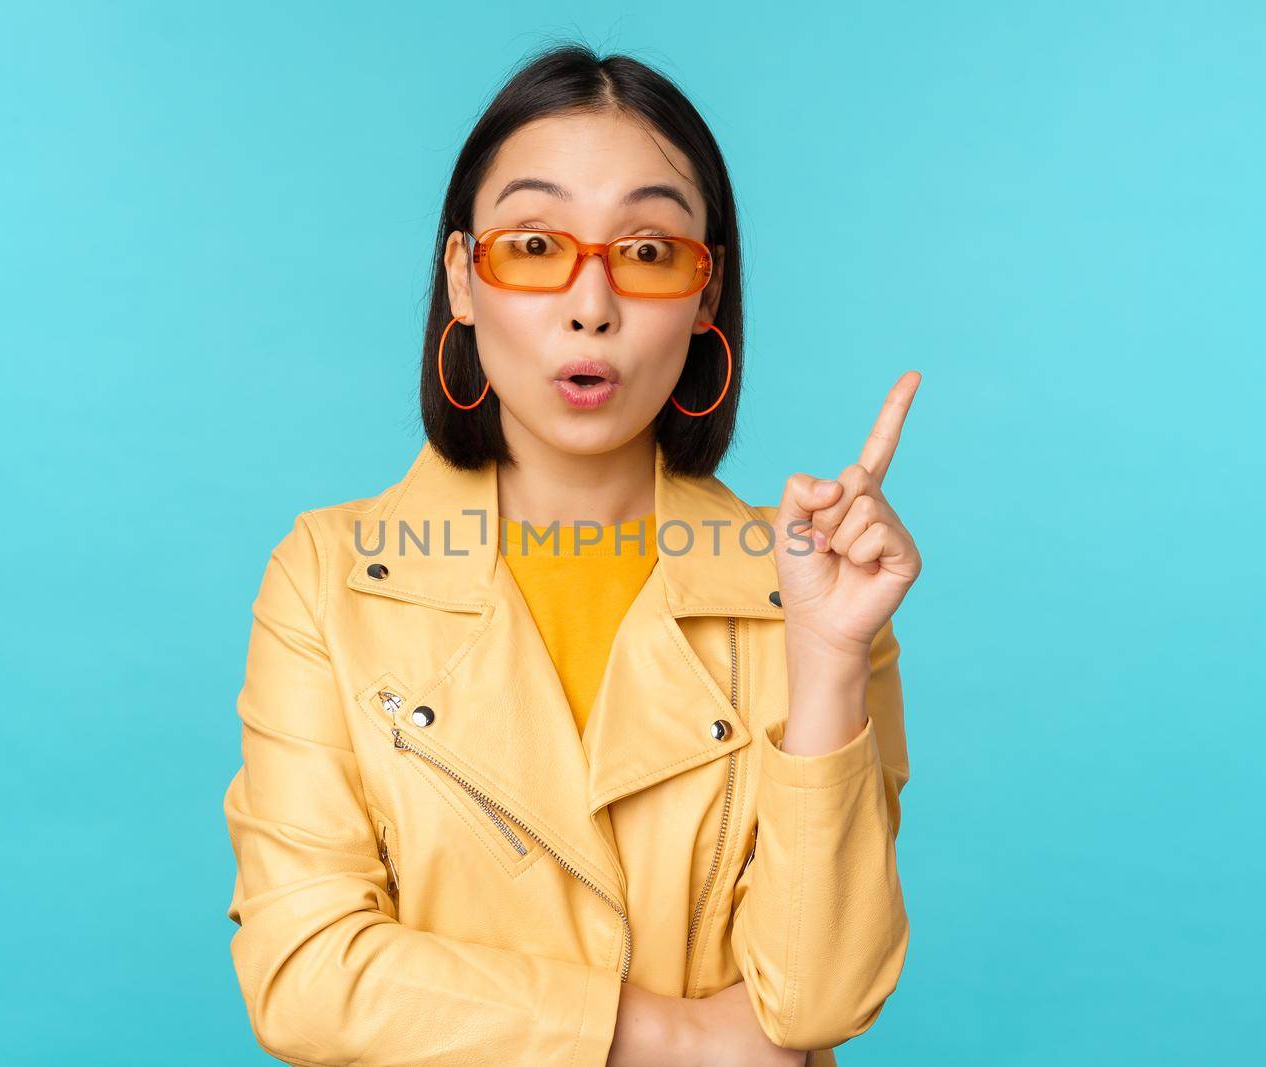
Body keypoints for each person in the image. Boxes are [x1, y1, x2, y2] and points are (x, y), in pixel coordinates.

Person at [222, 42, 922, 1067]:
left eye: (646, 251)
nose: (590, 303)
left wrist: (824, 658)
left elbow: (819, 996)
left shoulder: (808, 588)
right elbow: (304, 969)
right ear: (462, 276)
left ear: (704, 295)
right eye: (535, 244)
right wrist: (668, 1032)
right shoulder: (330, 575)